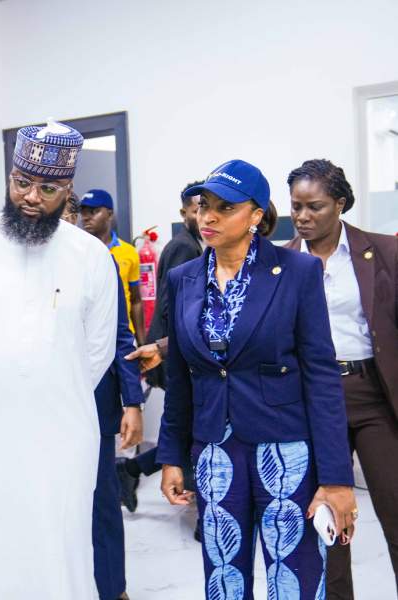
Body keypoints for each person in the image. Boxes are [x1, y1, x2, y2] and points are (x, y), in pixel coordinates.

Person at [158, 159, 357, 599]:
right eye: (202, 205)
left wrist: (337, 478)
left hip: (284, 450)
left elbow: (322, 376)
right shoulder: (183, 278)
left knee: (296, 577)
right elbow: (180, 378)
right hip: (214, 452)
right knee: (224, 576)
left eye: (224, 207)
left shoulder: (297, 272)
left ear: (255, 216)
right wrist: (172, 455)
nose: (207, 217)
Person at [0, 120, 118, 599]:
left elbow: (96, 353)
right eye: (22, 183)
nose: (31, 197)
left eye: (48, 188)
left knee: (59, 543)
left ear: (68, 191)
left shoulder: (90, 257)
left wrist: (47, 391)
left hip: (64, 433)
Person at [284, 158, 398, 599]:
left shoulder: (383, 251)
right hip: (310, 399)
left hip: (373, 393)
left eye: (314, 207)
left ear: (341, 204)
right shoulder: (283, 263)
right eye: (295, 207)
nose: (302, 217)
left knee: (393, 505)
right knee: (328, 521)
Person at [116, 180, 205, 510]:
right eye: (198, 209)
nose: (205, 216)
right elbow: (174, 308)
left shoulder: (192, 243)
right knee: (191, 428)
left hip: (175, 350)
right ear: (184, 213)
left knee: (192, 429)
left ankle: (131, 469)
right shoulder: (184, 247)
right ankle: (134, 470)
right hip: (175, 354)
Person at [91, 261, 145, 600]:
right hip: (38, 407)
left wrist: (133, 402)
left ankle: (112, 589)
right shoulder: (16, 256)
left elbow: (119, 333)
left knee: (101, 501)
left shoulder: (94, 259)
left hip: (94, 403)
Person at [80, 189, 145, 343]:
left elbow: (136, 299)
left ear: (109, 214)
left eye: (93, 211)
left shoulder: (129, 252)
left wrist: (142, 342)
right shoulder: (78, 253)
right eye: (83, 212)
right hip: (89, 336)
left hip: (123, 336)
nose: (86, 218)